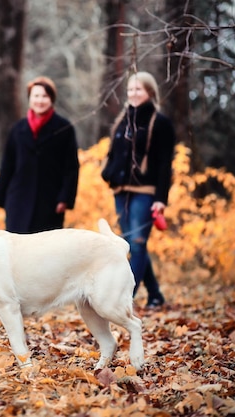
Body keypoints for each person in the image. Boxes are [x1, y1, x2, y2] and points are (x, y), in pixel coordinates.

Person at [101, 71, 176, 309]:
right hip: (121, 191)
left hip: (145, 192)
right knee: (133, 244)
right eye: (130, 89)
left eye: (138, 89)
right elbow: (113, 152)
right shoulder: (123, 119)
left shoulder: (160, 123)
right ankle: (155, 294)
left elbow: (166, 164)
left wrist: (160, 199)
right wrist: (108, 172)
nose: (133, 93)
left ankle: (124, 298)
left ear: (150, 92)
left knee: (138, 243)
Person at [0, 76, 79, 233]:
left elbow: (71, 167)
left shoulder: (64, 128)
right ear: (30, 98)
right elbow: (7, 166)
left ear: (51, 99)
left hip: (50, 201)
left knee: (45, 251)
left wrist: (65, 198)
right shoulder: (18, 129)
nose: (40, 100)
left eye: (45, 96)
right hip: (18, 199)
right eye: (36, 96)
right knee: (16, 248)